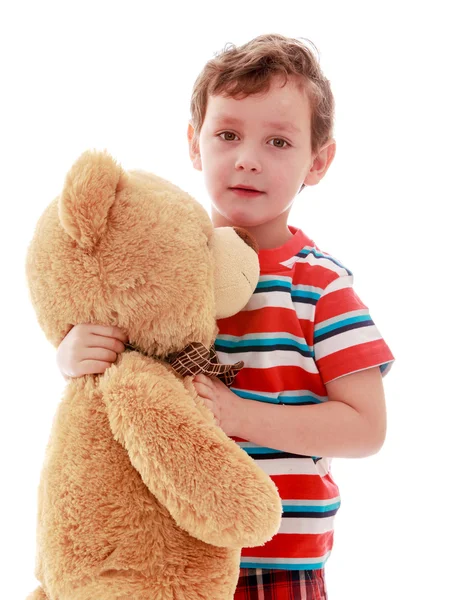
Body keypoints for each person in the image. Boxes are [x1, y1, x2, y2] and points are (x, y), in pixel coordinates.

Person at [56, 34, 394, 599]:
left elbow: (367, 427)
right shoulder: (155, 268)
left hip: (276, 565)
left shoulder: (317, 286)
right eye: (228, 134)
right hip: (162, 561)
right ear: (195, 144)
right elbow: (118, 385)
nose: (247, 158)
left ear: (319, 161)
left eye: (279, 141)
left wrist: (240, 415)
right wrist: (72, 353)